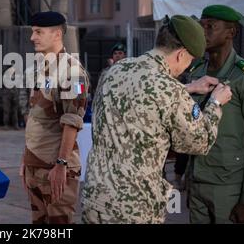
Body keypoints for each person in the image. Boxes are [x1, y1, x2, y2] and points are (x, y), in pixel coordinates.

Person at [81, 15, 233, 224]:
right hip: (133, 208)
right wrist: (215, 103)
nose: (186, 69)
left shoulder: (114, 71)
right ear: (181, 55)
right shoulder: (170, 91)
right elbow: (200, 141)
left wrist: (187, 88)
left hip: (95, 197)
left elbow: (142, 95)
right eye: (189, 62)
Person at [20, 11, 90, 224]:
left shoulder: (71, 71)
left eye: (38, 32)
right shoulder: (40, 69)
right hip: (36, 164)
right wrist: (26, 158)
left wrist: (61, 165)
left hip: (55, 168)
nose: (33, 37)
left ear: (57, 34)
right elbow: (35, 117)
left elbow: (71, 122)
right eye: (33, 32)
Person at [186, 5, 244, 224]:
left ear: (230, 33)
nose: (203, 32)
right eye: (201, 25)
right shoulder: (196, 72)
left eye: (210, 26)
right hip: (197, 179)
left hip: (229, 185)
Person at [2, 64, 20, 130]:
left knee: (15, 110)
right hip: (7, 94)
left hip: (14, 93)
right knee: (6, 110)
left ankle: (15, 124)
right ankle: (6, 124)